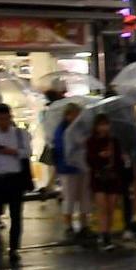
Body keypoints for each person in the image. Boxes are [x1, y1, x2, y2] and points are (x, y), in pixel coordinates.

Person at [0, 102, 32, 260]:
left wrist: (12, 151)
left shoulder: (19, 134)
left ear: (10, 117)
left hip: (14, 178)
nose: (2, 122)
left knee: (16, 215)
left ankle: (14, 249)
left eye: (5, 119)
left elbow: (27, 152)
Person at [86, 111, 133, 251]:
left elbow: (119, 161)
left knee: (111, 208)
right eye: (101, 125)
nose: (104, 128)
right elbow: (89, 160)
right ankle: (104, 235)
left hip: (113, 178)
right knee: (103, 208)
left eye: (106, 125)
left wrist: (117, 158)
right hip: (98, 177)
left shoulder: (114, 141)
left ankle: (108, 232)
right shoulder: (91, 141)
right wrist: (100, 156)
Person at [52, 102, 89, 242]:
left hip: (82, 167)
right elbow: (61, 149)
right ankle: (69, 225)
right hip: (67, 168)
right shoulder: (61, 130)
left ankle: (84, 224)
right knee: (70, 197)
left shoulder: (81, 128)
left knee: (84, 196)